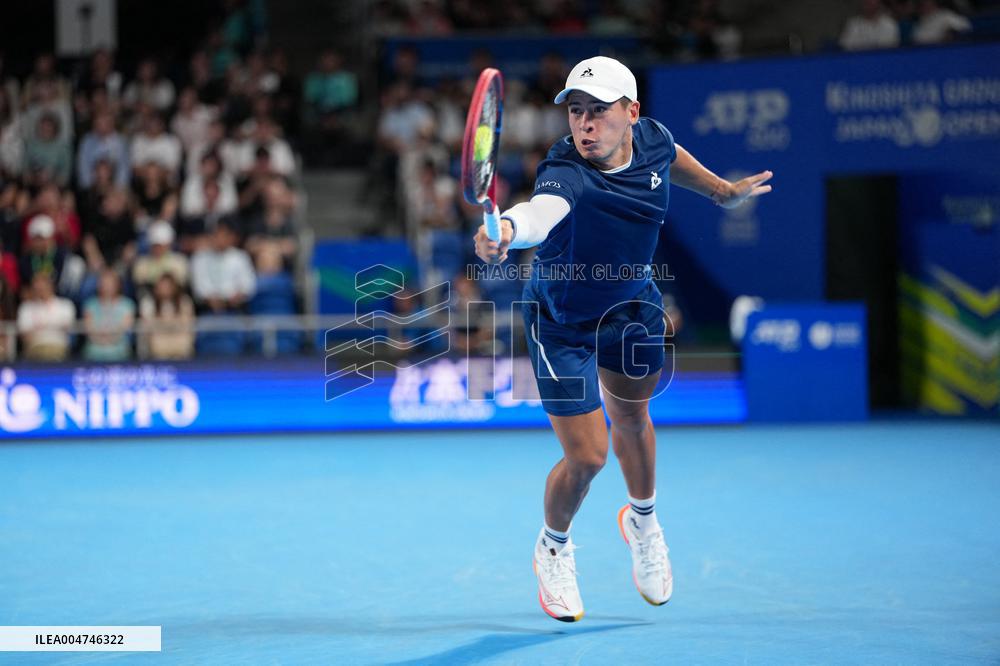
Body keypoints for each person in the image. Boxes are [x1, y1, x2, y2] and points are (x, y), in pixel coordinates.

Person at [473, 56, 773, 622]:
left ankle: (643, 522)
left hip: (632, 307)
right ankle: (553, 548)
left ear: (632, 113)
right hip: (561, 320)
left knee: (633, 417)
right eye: (576, 111)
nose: (585, 124)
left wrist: (721, 191)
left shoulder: (652, 138)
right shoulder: (566, 169)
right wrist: (508, 230)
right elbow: (540, 212)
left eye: (599, 110)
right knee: (587, 457)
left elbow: (670, 155)